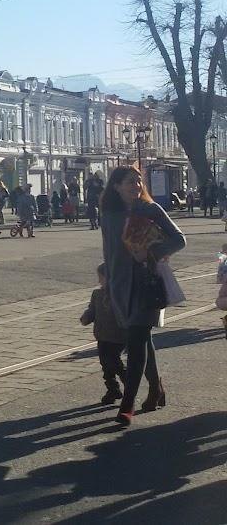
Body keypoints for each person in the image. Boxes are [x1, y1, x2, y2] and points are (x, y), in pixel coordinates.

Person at [101, 165, 185, 425]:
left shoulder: (150, 210)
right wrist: (107, 285)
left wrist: (151, 252)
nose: (136, 186)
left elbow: (179, 239)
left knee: (136, 340)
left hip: (147, 283)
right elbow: (108, 251)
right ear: (116, 186)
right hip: (120, 286)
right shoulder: (109, 214)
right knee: (141, 338)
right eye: (130, 182)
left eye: (139, 182)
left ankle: (127, 405)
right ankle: (156, 387)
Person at [80, 263, 128, 405]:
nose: (99, 281)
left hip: (118, 336)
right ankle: (112, 389)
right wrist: (86, 318)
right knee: (105, 364)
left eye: (101, 278)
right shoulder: (97, 294)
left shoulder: (120, 295)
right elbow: (92, 310)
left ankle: (128, 382)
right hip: (102, 335)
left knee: (114, 361)